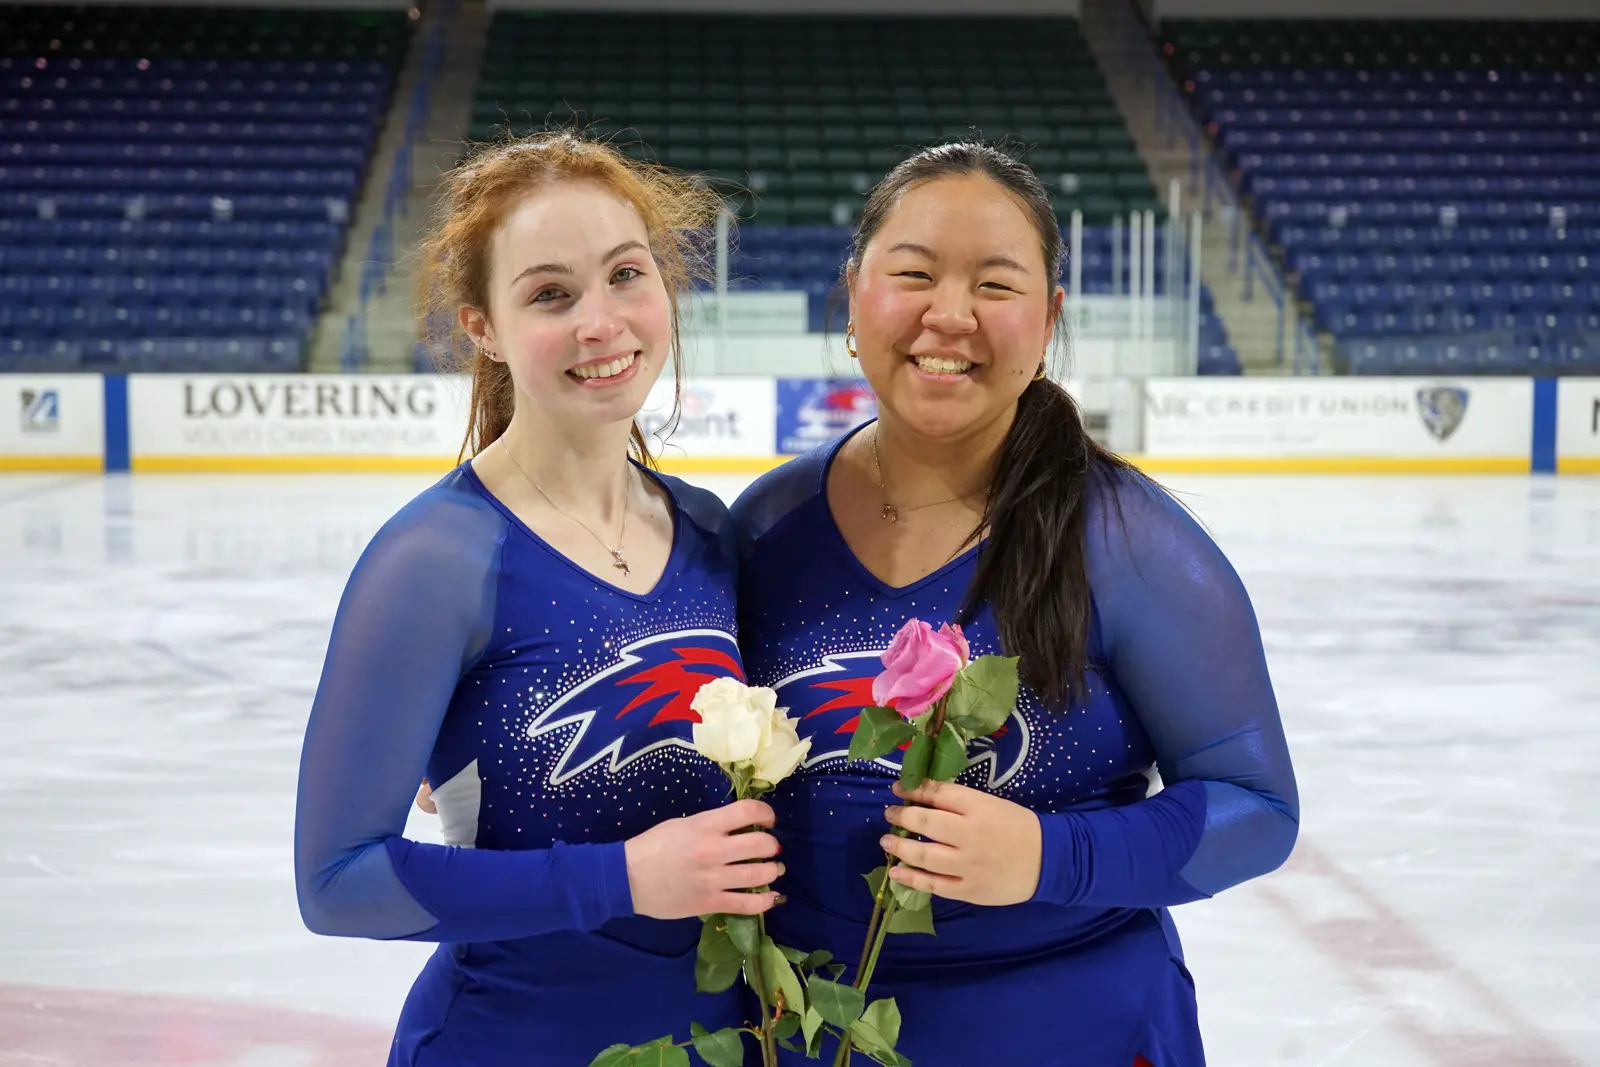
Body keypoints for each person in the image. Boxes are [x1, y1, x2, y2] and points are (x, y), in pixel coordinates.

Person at [730, 142, 1299, 1066]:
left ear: (1048, 320)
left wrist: (1050, 857)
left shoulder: (1129, 544)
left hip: (1071, 1029)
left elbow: (1258, 808)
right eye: (912, 273)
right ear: (853, 295)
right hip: (807, 1037)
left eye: (996, 285)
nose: (948, 315)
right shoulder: (766, 527)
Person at [293, 132, 782, 1067]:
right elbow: (336, 883)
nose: (602, 322)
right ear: (482, 325)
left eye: (626, 275)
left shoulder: (714, 534)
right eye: (552, 294)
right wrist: (625, 876)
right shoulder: (436, 558)